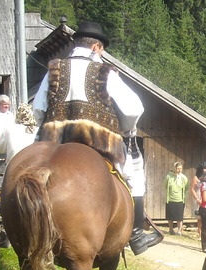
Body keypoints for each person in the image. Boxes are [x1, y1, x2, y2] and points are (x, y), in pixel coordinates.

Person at [33, 21, 161, 256]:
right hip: (99, 143)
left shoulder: (54, 68)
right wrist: (127, 130)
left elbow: (38, 109)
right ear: (96, 48)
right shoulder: (104, 72)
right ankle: (136, 234)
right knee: (136, 174)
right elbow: (134, 109)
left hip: (55, 142)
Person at [193, 162, 206, 252]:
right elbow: (204, 198)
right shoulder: (204, 185)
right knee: (205, 227)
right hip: (205, 208)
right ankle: (204, 246)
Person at [165, 161, 188, 235]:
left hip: (180, 199)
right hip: (171, 199)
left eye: (181, 168)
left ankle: (179, 231)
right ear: (174, 168)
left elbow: (187, 187)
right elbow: (165, 185)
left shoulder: (183, 177)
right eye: (178, 168)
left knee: (179, 217)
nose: (179, 170)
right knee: (170, 216)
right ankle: (171, 229)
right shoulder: (169, 176)